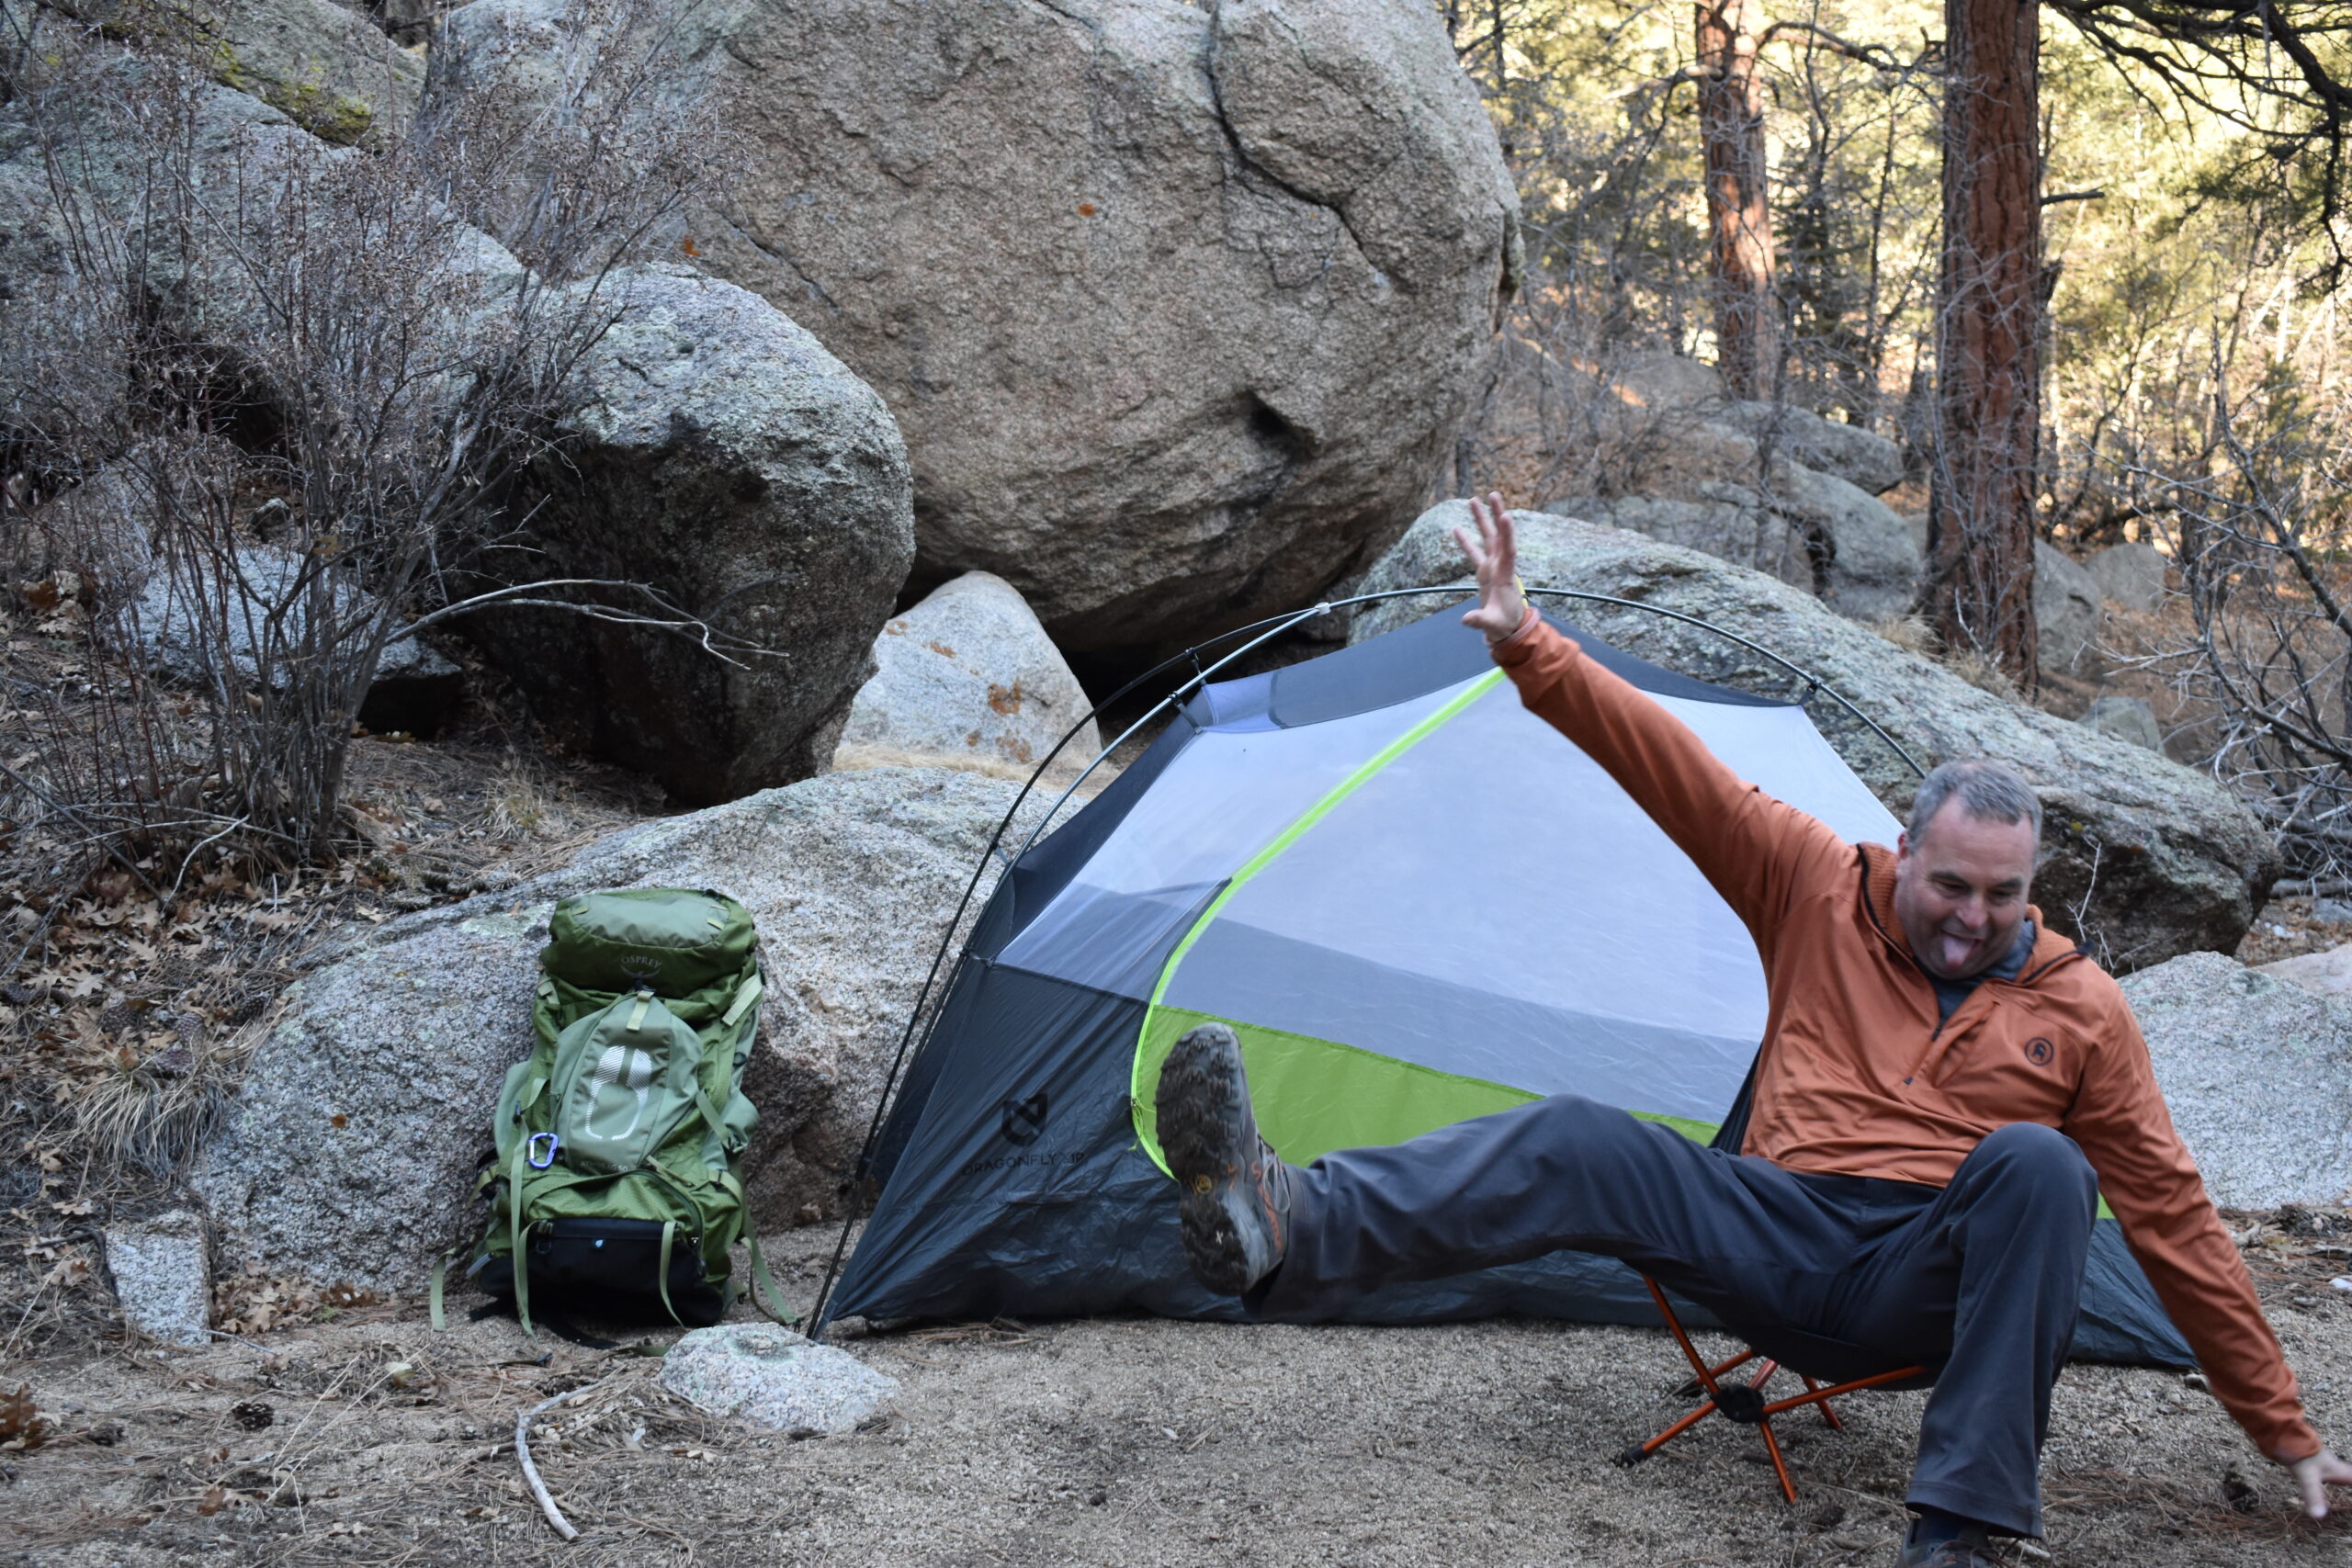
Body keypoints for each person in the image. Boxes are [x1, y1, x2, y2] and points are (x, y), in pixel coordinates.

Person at [1154, 493, 2351, 1567]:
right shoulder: (1812, 881)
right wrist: (1528, 642)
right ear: (1906, 851)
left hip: (1920, 1274)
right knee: (1587, 1140)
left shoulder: (2081, 1008)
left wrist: (2284, 1431)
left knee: (2041, 1165)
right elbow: (1674, 767)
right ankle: (1286, 1221)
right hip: (1769, 1231)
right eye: (1950, 887)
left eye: (2002, 896)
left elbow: (2176, 1223)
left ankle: (1960, 1536)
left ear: (2030, 886)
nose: (1972, 918)